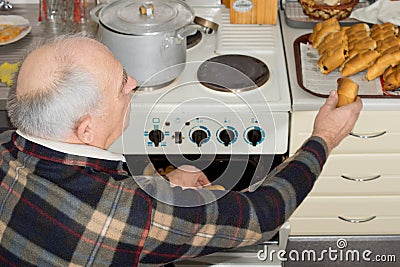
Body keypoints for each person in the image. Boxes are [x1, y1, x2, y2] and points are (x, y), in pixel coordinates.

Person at [0, 34, 362, 266]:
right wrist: (324, 137)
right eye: (121, 82)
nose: (135, 83)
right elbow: (264, 213)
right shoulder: (129, 215)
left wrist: (162, 187)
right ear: (86, 128)